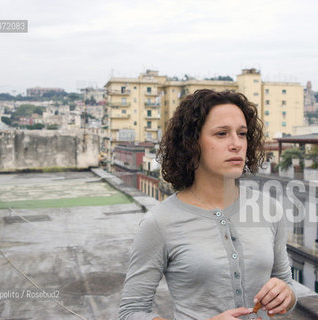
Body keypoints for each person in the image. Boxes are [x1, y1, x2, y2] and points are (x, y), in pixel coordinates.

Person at [118, 89, 296, 320]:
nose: (236, 144)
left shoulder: (269, 209)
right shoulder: (160, 222)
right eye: (222, 134)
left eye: (242, 134)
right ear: (191, 143)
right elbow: (130, 313)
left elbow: (286, 285)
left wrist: (287, 295)